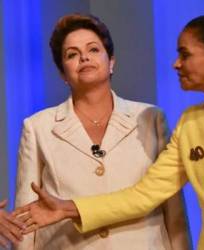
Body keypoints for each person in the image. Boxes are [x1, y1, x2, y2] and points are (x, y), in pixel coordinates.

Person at [15, 14, 204, 250]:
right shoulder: (191, 123)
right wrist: (69, 208)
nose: (176, 64)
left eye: (184, 54)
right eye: (72, 55)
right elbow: (144, 195)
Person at [13, 14, 190, 250]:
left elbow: (173, 207)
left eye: (93, 50)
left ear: (111, 62)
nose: (84, 57)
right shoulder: (37, 127)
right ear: (63, 74)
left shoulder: (150, 118)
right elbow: (28, 215)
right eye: (72, 54)